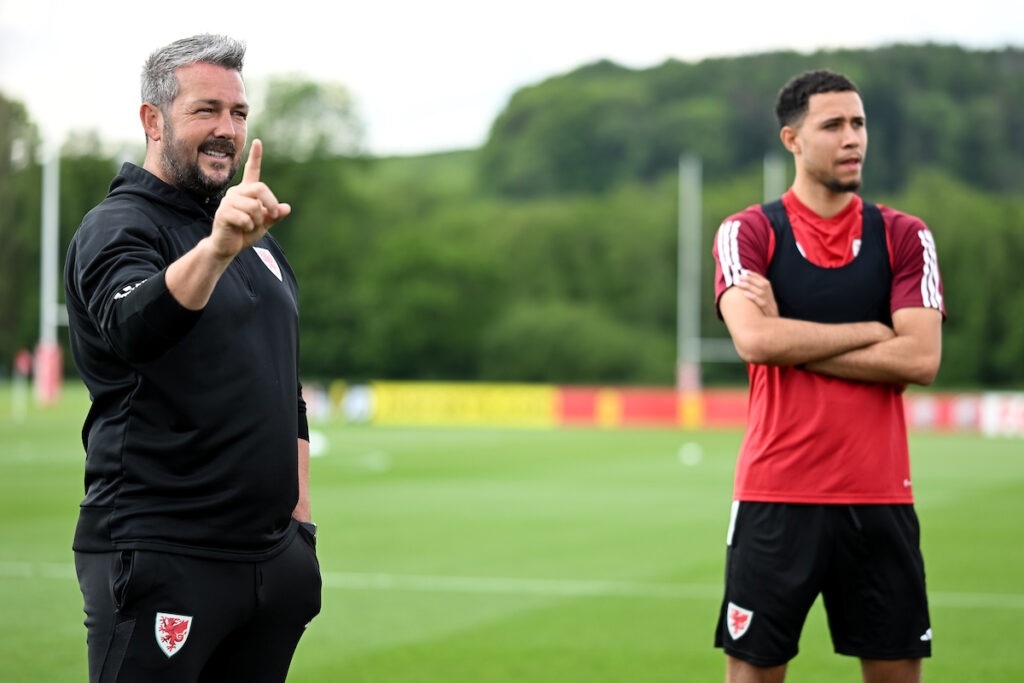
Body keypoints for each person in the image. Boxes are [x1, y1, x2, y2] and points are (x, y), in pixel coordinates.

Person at [64, 34, 320, 682]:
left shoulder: (256, 242)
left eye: (237, 112)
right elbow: (134, 327)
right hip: (165, 556)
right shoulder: (118, 226)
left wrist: (301, 536)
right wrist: (217, 248)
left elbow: (286, 389)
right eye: (206, 110)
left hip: (268, 567)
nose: (226, 130)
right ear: (152, 120)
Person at [711, 69, 945, 683]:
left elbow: (920, 359)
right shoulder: (749, 232)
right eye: (833, 125)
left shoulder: (904, 236)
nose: (852, 139)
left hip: (879, 496)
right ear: (792, 138)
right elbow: (755, 339)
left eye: (859, 123)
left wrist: (793, 339)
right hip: (776, 494)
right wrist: (872, 332)